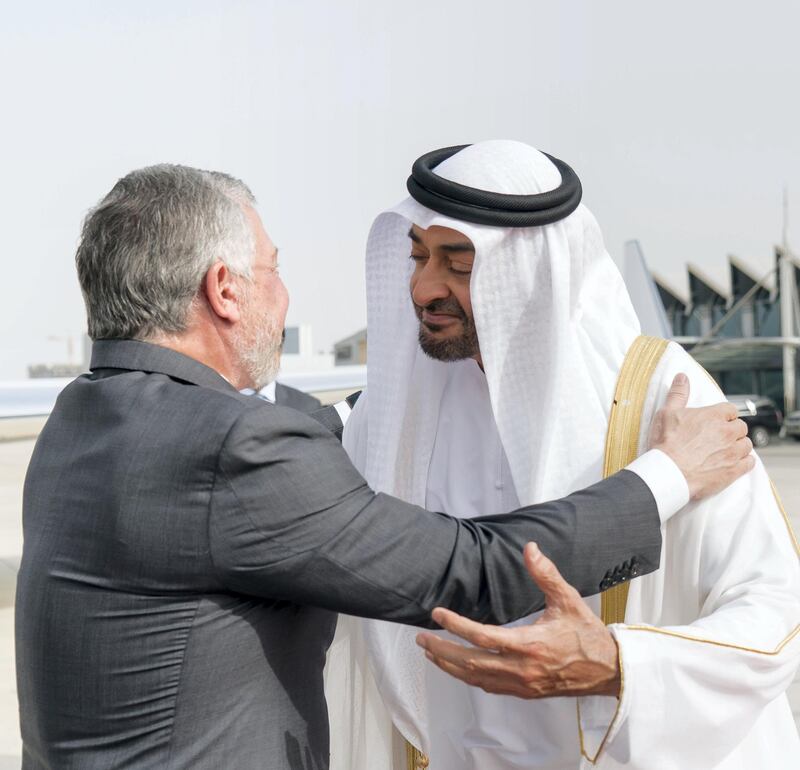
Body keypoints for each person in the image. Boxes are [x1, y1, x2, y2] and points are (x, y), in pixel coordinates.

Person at [15, 164, 747, 770]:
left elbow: (271, 438)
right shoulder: (232, 451)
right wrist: (669, 476)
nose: (286, 293)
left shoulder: (83, 417)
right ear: (224, 290)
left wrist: (401, 395)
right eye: (273, 269)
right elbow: (475, 572)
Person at [337, 141, 800, 769]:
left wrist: (618, 665)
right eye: (418, 255)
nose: (423, 288)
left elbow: (775, 606)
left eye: (459, 263)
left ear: (532, 269)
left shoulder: (656, 393)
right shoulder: (396, 414)